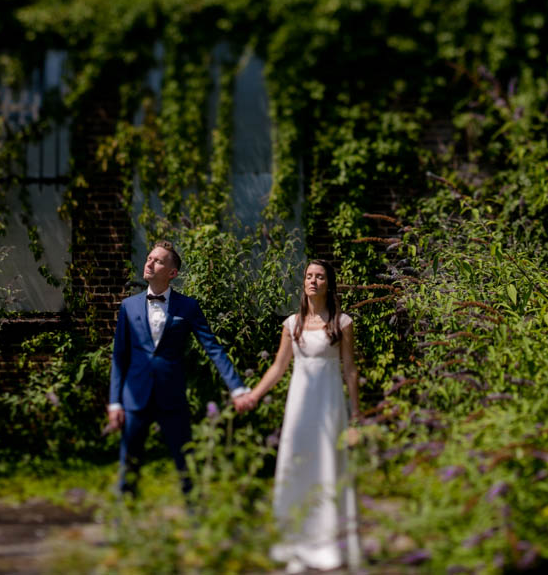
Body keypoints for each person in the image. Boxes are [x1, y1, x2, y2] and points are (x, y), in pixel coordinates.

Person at [107, 240, 255, 498]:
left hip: (172, 396)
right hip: (134, 397)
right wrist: (115, 403)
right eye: (149, 258)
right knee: (128, 465)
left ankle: (196, 517)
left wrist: (237, 387)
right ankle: (123, 521)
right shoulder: (127, 307)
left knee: (185, 461)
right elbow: (119, 357)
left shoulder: (188, 307)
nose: (150, 263)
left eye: (158, 260)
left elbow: (213, 348)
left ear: (172, 273)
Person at [245, 259, 362, 572]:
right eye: (309, 276)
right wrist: (254, 394)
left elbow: (350, 370)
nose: (313, 281)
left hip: (330, 405)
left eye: (319, 276)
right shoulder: (291, 324)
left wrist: (355, 415)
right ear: (304, 283)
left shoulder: (343, 323)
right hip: (299, 405)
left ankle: (328, 544)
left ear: (328, 283)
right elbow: (278, 367)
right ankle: (294, 541)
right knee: (296, 464)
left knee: (328, 465)